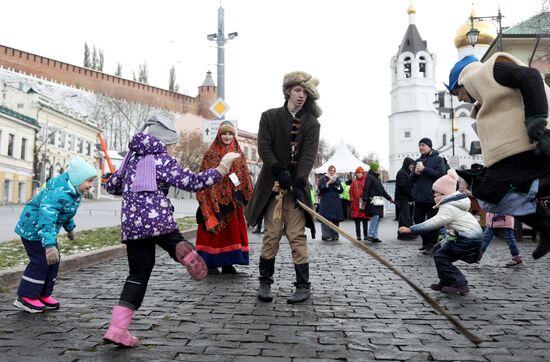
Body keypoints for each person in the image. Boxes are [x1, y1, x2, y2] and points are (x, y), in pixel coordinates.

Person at [103, 115, 240, 347]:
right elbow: (193, 182)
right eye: (173, 143)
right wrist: (221, 168)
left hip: (133, 225)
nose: (174, 147)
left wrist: (125, 172)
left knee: (137, 275)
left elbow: (112, 186)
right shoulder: (162, 159)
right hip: (159, 219)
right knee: (169, 237)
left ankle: (117, 329)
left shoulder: (131, 160)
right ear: (164, 142)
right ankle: (183, 251)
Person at [446, 54, 550, 259]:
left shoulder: (486, 73)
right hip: (520, 151)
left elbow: (530, 76)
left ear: (462, 80)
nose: (459, 98)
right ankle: (546, 227)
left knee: (493, 190)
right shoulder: (487, 93)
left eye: (456, 91)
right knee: (492, 193)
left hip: (536, 141)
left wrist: (536, 120)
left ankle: (546, 227)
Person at [245, 71, 321, 304]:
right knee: (272, 234)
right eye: (298, 90)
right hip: (273, 188)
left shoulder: (312, 123)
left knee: (297, 236)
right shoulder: (269, 117)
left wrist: (298, 181)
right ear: (288, 90)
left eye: (305, 92)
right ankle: (265, 283)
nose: (301, 96)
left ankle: (303, 285)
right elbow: (264, 148)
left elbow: (308, 155)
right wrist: (279, 170)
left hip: (295, 190)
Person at [13, 157, 97, 313]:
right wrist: (49, 245)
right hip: (33, 230)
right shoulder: (57, 194)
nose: (91, 185)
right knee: (41, 261)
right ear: (78, 179)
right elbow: (47, 219)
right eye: (89, 181)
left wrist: (70, 229)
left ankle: (43, 294)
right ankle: (25, 297)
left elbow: (65, 213)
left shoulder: (72, 193)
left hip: (45, 232)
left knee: (53, 261)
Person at [399, 169, 483, 295]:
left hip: (467, 238)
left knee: (441, 255)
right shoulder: (453, 203)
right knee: (437, 249)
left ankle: (460, 283)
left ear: (444, 193)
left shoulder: (449, 207)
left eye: (436, 193)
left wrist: (411, 229)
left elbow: (434, 222)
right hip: (465, 237)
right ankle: (445, 280)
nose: (434, 196)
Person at [195, 121, 253, 275]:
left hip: (233, 200)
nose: (227, 137)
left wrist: (241, 191)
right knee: (213, 232)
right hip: (212, 199)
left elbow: (244, 175)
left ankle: (228, 263)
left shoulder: (238, 153)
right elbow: (204, 176)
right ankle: (210, 263)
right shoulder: (211, 153)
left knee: (231, 232)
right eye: (224, 134)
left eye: (230, 134)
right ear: (219, 136)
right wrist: (212, 194)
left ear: (233, 136)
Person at [411, 138, 446, 254]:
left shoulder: (438, 160)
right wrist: (415, 173)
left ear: (430, 146)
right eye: (419, 145)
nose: (421, 147)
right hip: (419, 197)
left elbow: (441, 174)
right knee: (418, 220)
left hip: (432, 197)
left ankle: (432, 245)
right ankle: (426, 242)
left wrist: (425, 169)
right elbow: (410, 179)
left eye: (423, 145)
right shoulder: (417, 161)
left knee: (432, 223)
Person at [362, 161, 393, 243]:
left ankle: (375, 236)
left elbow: (382, 190)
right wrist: (364, 199)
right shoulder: (370, 177)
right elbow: (366, 188)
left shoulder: (377, 178)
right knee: (375, 216)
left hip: (378, 200)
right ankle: (370, 234)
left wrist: (389, 198)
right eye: (378, 167)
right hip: (372, 200)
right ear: (375, 169)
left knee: (378, 217)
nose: (379, 169)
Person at [318, 165, 344, 241]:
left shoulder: (337, 179)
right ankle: (326, 235)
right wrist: (328, 183)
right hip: (326, 201)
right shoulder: (323, 178)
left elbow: (341, 190)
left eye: (333, 171)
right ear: (328, 171)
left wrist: (337, 185)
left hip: (335, 202)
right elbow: (321, 188)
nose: (332, 172)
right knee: (325, 219)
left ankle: (335, 235)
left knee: (335, 219)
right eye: (330, 171)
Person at [395, 157, 416, 240]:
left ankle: (401, 233)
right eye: (411, 165)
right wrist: (411, 195)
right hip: (403, 198)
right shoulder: (401, 173)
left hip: (405, 197)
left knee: (403, 216)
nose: (412, 167)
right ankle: (406, 234)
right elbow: (402, 186)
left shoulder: (406, 173)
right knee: (406, 216)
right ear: (407, 164)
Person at [350, 166, 369, 241]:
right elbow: (351, 191)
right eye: (357, 173)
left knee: (365, 221)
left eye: (360, 173)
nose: (359, 174)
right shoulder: (354, 182)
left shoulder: (366, 180)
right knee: (357, 221)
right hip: (356, 204)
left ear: (362, 173)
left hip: (364, 203)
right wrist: (352, 200)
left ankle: (366, 235)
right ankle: (358, 236)